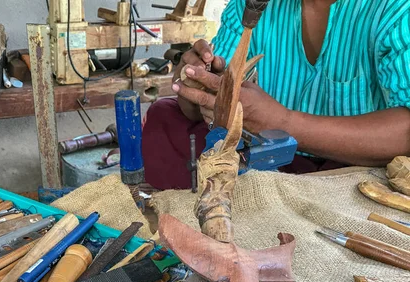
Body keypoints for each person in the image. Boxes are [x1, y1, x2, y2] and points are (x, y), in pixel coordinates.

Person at [142, 0, 410, 190]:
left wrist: (283, 123)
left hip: (351, 166)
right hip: (266, 155)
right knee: (165, 115)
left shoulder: (395, 8)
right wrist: (196, 84)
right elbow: (211, 96)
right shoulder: (253, 4)